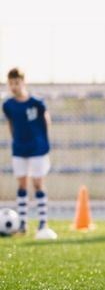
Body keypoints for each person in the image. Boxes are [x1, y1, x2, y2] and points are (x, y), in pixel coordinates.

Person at [2, 68, 56, 239]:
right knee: (22, 185)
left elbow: (47, 121)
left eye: (16, 83)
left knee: (38, 183)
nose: (14, 86)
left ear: (23, 82)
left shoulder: (37, 103)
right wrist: (16, 141)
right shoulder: (8, 105)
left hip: (37, 149)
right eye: (11, 83)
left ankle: (43, 222)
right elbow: (11, 123)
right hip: (19, 149)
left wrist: (43, 141)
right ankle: (23, 223)